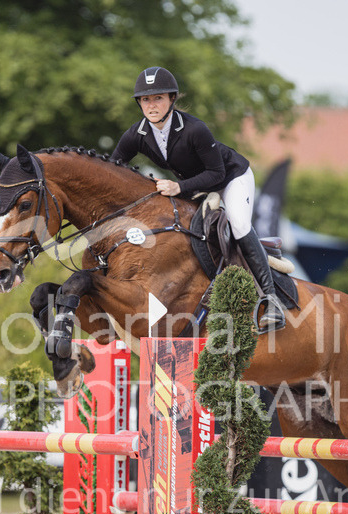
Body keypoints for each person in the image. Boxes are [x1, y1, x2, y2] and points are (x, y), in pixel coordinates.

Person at [110, 66, 285, 329]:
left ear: (171, 99)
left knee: (238, 222)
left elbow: (216, 173)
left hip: (231, 177)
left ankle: (271, 301)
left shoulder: (194, 129)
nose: (151, 105)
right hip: (195, 186)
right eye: (146, 99)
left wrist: (179, 188)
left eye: (158, 98)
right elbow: (112, 169)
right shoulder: (137, 134)